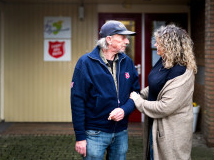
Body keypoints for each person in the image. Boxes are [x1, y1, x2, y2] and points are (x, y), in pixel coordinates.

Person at [71, 20, 140, 159]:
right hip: (95, 133)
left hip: (121, 132)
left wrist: (124, 110)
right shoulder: (85, 63)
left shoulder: (127, 62)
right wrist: (80, 137)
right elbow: (77, 101)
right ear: (109, 39)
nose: (127, 41)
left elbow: (136, 93)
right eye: (122, 38)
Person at [130, 24, 197, 160]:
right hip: (155, 124)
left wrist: (138, 101)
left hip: (172, 130)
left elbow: (165, 107)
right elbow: (156, 85)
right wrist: (140, 94)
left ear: (170, 46)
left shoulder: (182, 71)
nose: (155, 45)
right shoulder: (164, 61)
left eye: (159, 43)